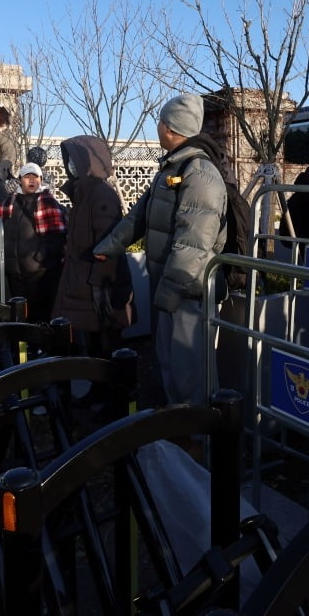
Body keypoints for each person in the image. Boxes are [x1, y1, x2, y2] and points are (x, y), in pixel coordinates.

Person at [94, 94, 227, 407]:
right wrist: (108, 248)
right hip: (170, 287)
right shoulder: (171, 169)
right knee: (171, 366)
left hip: (187, 290)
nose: (157, 127)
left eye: (160, 121)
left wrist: (169, 292)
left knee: (191, 371)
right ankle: (179, 432)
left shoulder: (199, 173)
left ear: (169, 128)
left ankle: (199, 441)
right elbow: (139, 217)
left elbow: (194, 242)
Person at [53, 136, 133, 360]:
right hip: (84, 282)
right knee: (93, 344)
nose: (69, 165)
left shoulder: (100, 194)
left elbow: (108, 244)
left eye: (74, 159)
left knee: (106, 346)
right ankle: (98, 389)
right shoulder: (83, 192)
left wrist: (100, 285)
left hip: (98, 285)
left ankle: (113, 391)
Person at [0, 162, 67, 321]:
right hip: (14, 271)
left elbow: (57, 236)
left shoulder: (48, 202)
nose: (31, 181)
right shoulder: (9, 202)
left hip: (39, 273)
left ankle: (40, 345)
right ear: (20, 180)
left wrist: (41, 259)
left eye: (35, 177)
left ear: (41, 179)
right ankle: (22, 345)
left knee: (40, 314)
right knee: (19, 314)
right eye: (27, 177)